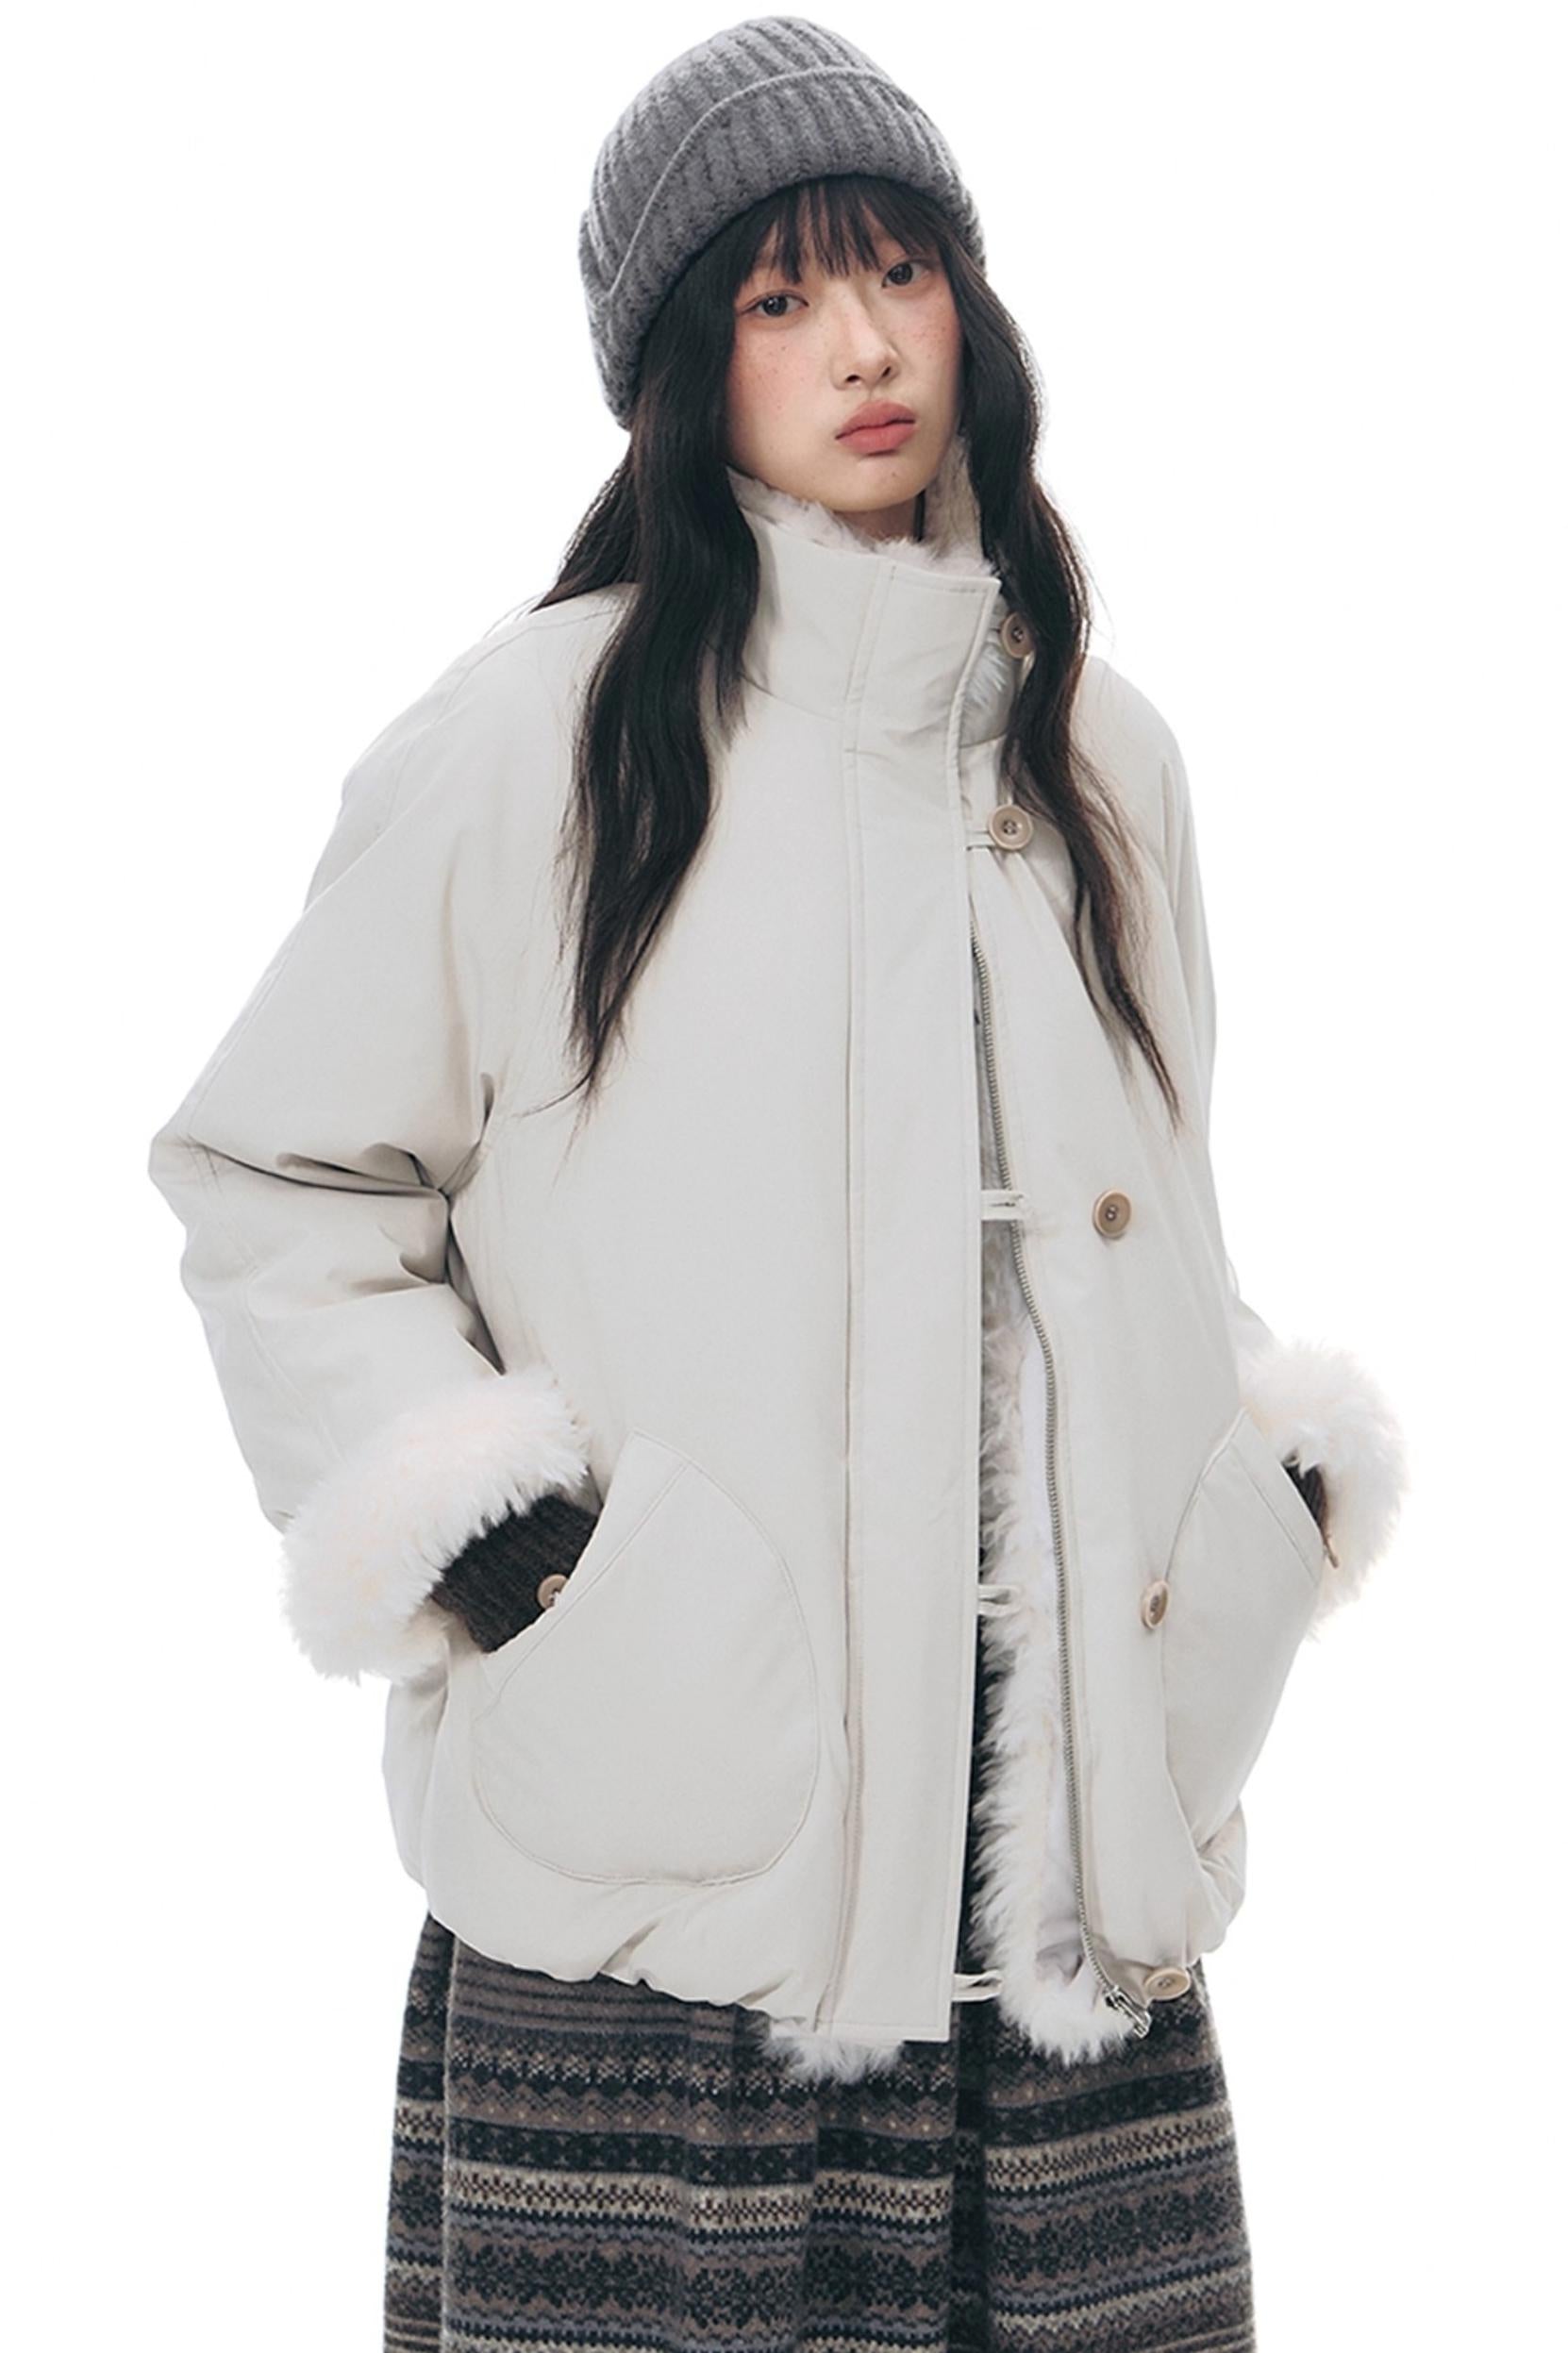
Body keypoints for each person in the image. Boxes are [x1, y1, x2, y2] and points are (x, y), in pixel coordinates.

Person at [146, 17, 1410, 2349]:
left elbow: (1143, 1209)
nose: (862, 345)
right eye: (780, 294)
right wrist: (502, 1537)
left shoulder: (1105, 754)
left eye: (901, 271)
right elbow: (279, 1172)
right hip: (684, 1899)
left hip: (1072, 1906)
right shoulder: (534, 737)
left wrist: (1257, 1482)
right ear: (679, 368)